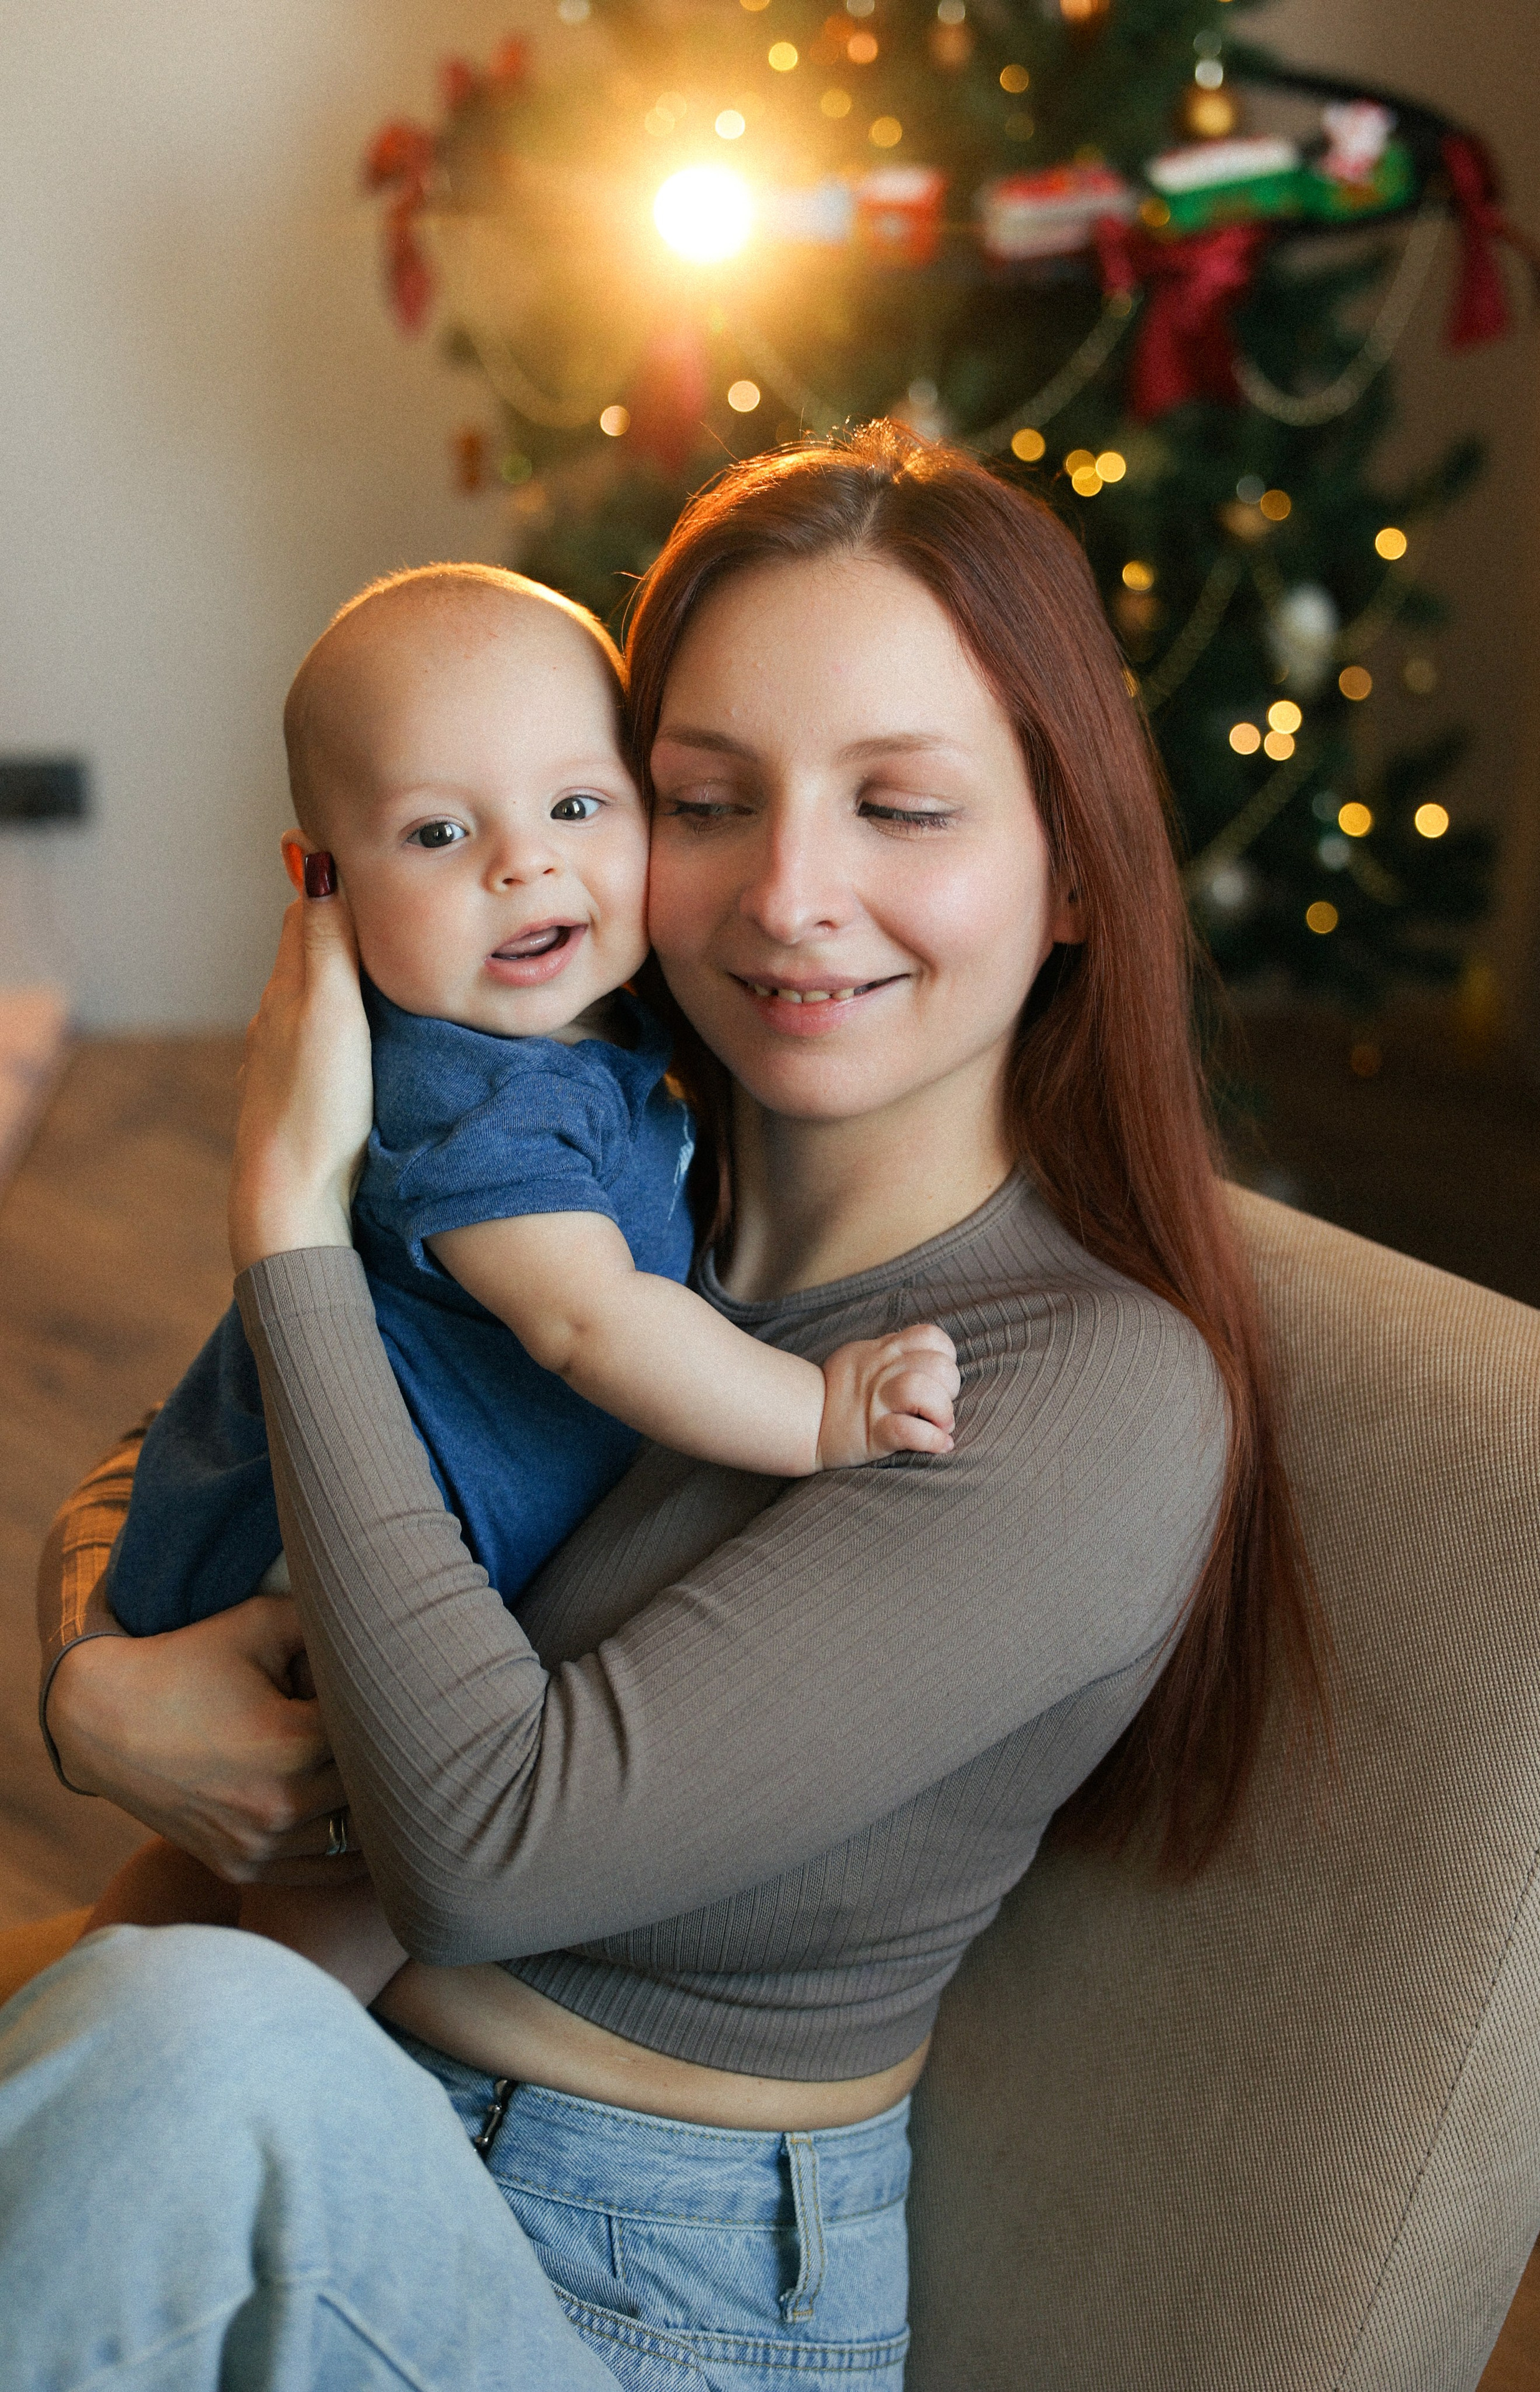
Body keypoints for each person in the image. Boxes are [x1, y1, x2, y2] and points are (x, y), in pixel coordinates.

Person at [8, 425, 1323, 2392]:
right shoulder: (609, 1162)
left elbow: (483, 1851)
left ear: (1070, 876)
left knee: (193, 2063)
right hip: (309, 2098)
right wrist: (86, 1686)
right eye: (706, 800)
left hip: (636, 2295)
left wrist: (291, 1216)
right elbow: (210, 1448)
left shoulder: (1081, 1397)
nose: (792, 895)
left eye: (903, 807)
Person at [91, 562, 957, 2003]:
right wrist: (817, 1416)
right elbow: (586, 1315)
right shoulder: (466, 1095)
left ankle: (140, 2029)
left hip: (396, 1514)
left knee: (188, 1922)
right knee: (330, 1916)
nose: (522, 864)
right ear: (323, 880)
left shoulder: (577, 1031)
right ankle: (257, 2052)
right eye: (437, 832)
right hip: (324, 1563)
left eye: (575, 805)